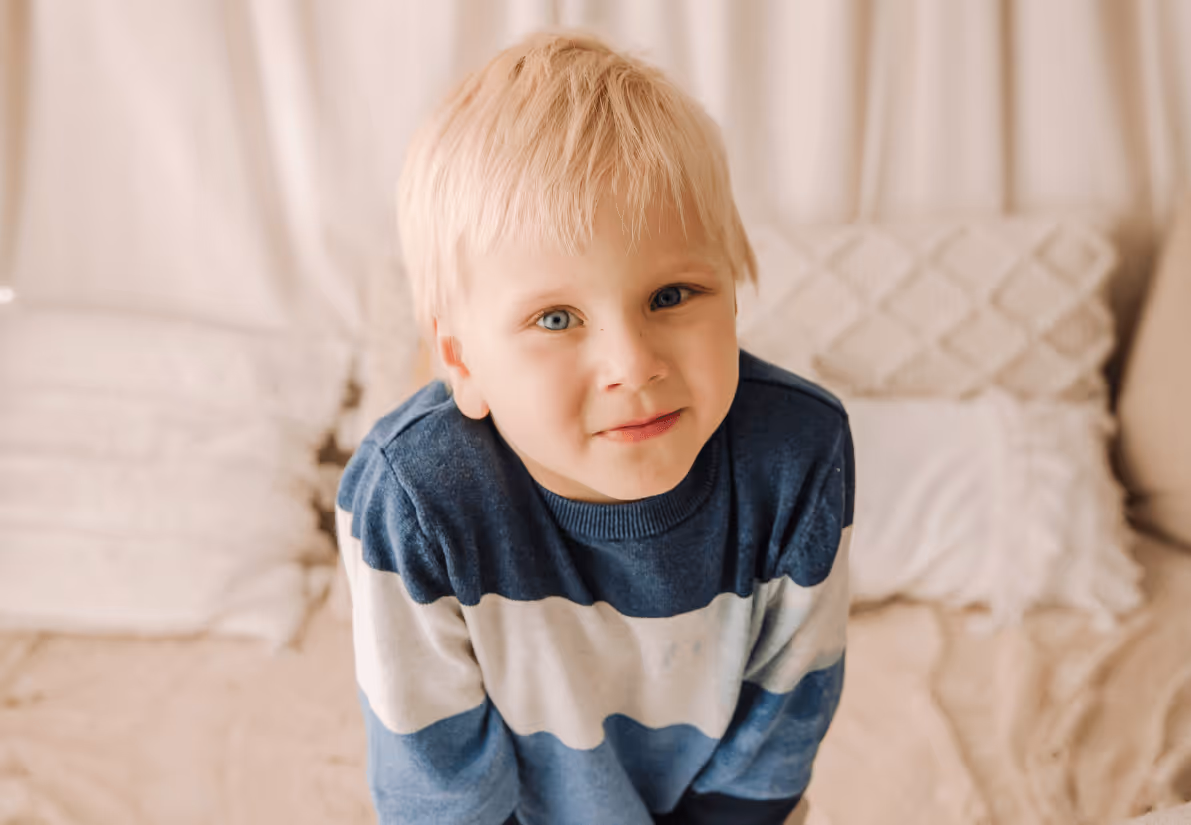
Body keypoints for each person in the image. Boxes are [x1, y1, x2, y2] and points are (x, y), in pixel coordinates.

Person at [335, 28, 854, 825]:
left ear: (734, 286)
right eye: (556, 317)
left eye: (672, 295)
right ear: (462, 362)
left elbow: (780, 729)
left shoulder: (798, 454)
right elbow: (439, 787)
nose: (633, 363)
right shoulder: (413, 500)